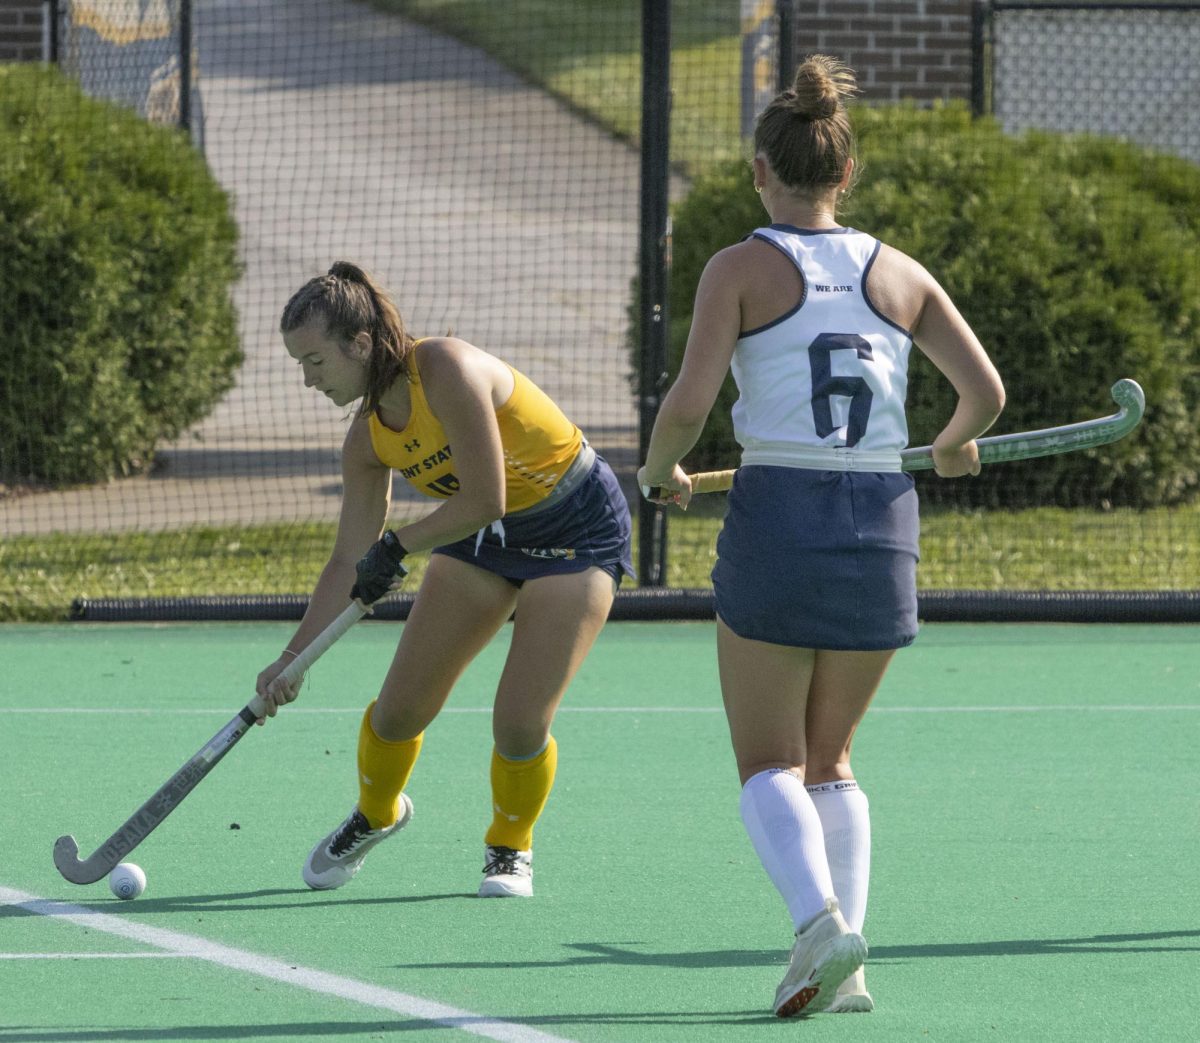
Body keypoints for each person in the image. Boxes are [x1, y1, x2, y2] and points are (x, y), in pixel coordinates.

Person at [637, 56, 1004, 1016]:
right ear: (846, 176)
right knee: (831, 757)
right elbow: (986, 394)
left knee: (768, 760)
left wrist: (658, 472)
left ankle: (819, 925)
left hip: (781, 516)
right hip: (883, 522)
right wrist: (954, 446)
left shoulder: (741, 266)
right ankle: (850, 972)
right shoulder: (901, 273)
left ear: (762, 170)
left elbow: (687, 402)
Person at [258, 261, 633, 899]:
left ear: (360, 343)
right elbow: (349, 557)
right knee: (399, 712)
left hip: (575, 530)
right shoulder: (368, 440)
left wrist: (399, 545)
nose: (308, 380)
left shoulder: (446, 370)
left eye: (316, 361)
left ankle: (511, 846)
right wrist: (293, 659)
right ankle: (376, 814)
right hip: (481, 541)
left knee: (518, 721)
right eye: (301, 364)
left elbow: (485, 496)